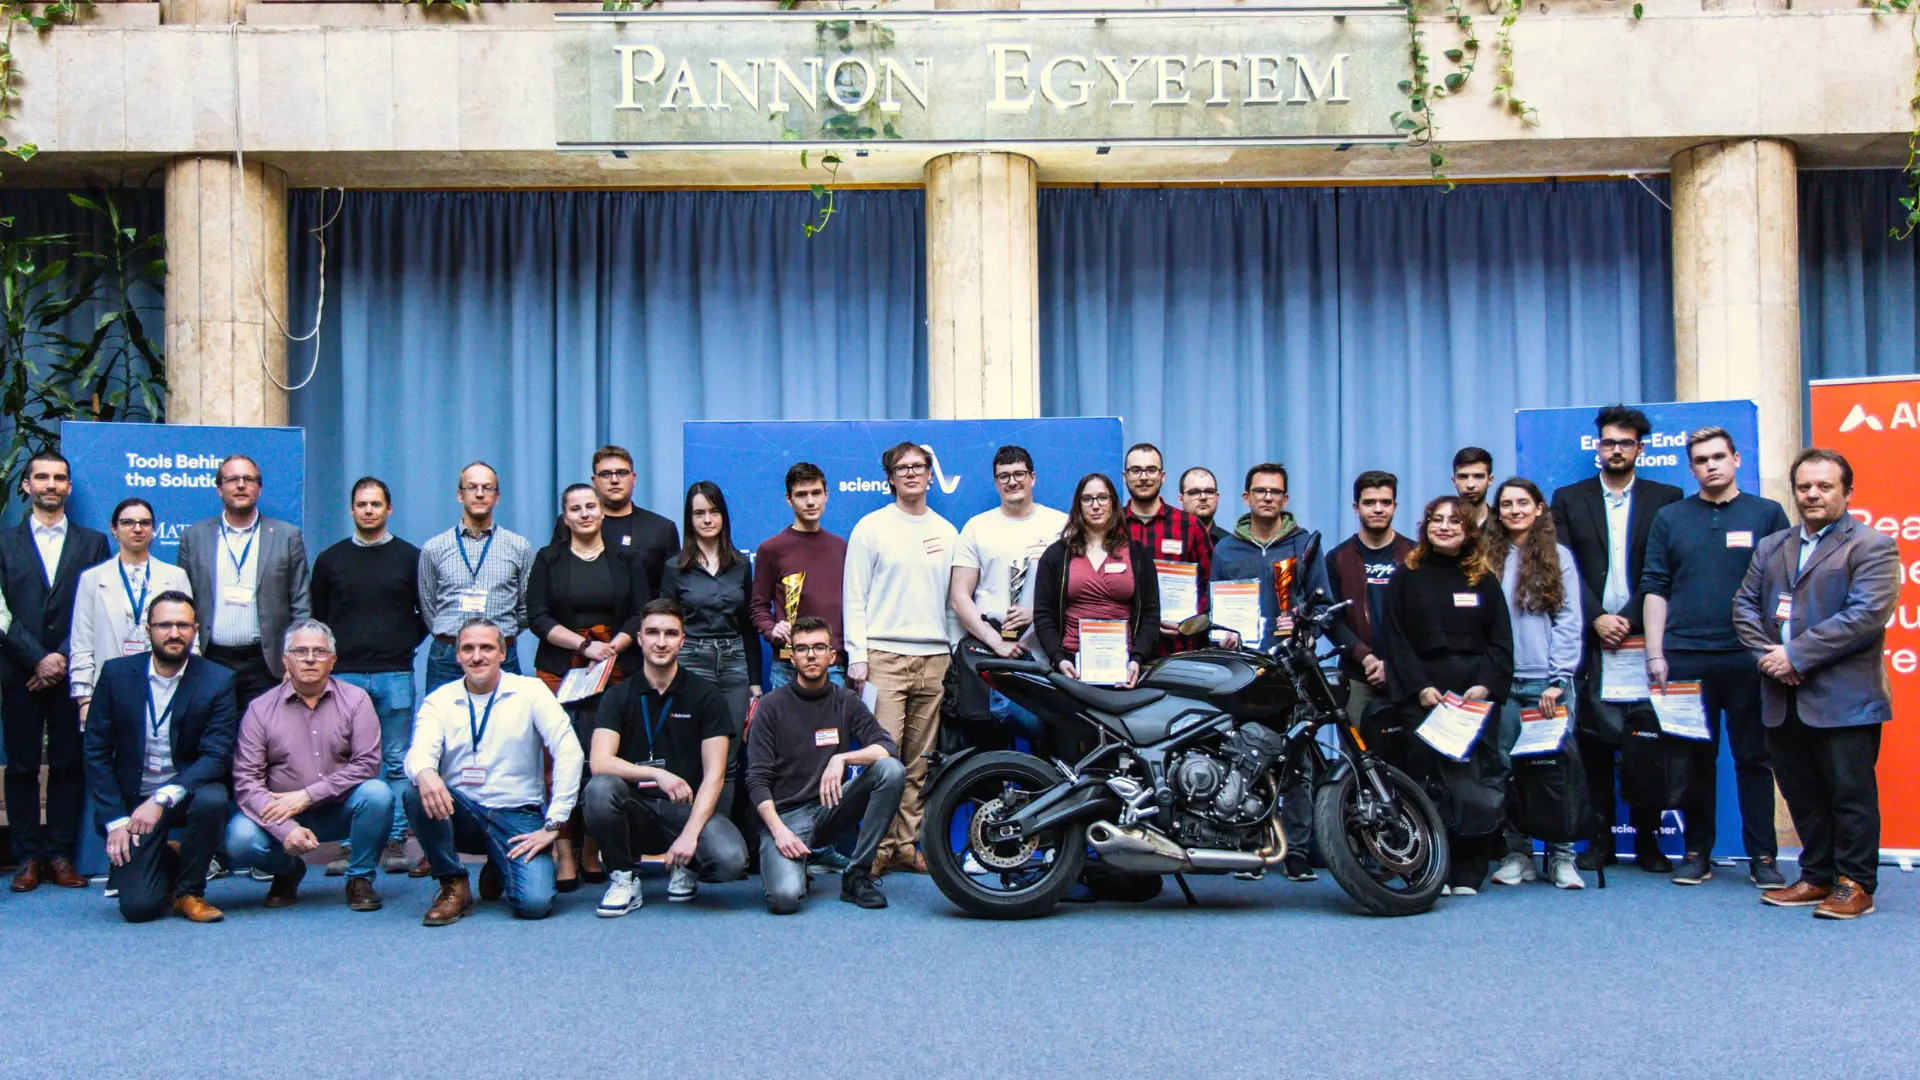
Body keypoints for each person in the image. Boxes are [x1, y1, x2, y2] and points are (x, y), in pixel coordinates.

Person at [1734, 449, 1899, 920]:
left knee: (1850, 796)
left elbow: (1865, 616)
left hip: (1846, 698)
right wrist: (1771, 660)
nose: (1812, 494)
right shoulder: (1773, 546)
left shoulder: (1872, 545)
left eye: (1825, 486)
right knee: (1801, 793)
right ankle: (1817, 875)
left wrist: (1795, 655)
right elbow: (1743, 607)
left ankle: (1855, 884)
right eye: (1804, 486)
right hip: (1781, 696)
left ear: (1847, 492)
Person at [1640, 428, 1792, 888]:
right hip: (1685, 657)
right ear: (1691, 468)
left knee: (1754, 758)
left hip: (1749, 658)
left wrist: (1780, 645)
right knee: (1692, 761)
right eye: (1702, 460)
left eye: (1719, 457)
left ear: (1736, 459)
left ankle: (1762, 857)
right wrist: (1654, 654)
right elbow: (1655, 586)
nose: (1711, 465)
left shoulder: (1767, 513)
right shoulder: (1670, 518)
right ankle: (1695, 853)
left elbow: (1786, 586)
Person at [1549, 404, 1683, 871]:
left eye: (1626, 443)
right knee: (1594, 742)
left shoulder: (1667, 497)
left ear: (1640, 449)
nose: (1617, 450)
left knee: (1647, 742)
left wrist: (1624, 618)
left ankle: (1648, 842)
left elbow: (1664, 568)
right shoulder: (1569, 498)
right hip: (1591, 640)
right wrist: (1597, 619)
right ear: (1598, 447)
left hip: (1645, 638)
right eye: (1609, 442)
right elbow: (1561, 566)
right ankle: (1600, 841)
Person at [403, 617, 582, 925]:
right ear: (457, 655)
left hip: (517, 815)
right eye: (468, 649)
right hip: (460, 812)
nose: (477, 656)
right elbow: (419, 751)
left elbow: (569, 750)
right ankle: (454, 883)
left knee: (534, 904)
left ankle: (500, 864)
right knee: (416, 789)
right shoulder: (440, 700)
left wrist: (555, 822)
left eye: (486, 648)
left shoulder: (531, 692)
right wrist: (426, 772)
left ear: (502, 653)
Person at [1378, 496, 1514, 895]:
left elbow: (1501, 641)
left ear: (1468, 530)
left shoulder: (1483, 579)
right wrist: (1420, 687)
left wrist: (1485, 685)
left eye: (1454, 521)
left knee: (1471, 783)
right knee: (1424, 783)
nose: (1444, 526)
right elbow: (1394, 640)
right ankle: (1429, 868)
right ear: (1425, 527)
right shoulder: (1406, 576)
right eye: (1436, 520)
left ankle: (1468, 871)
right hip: (1423, 695)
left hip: (1473, 698)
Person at [81, 591, 239, 923]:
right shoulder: (116, 674)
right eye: (164, 625)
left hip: (185, 791)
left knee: (212, 798)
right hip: (132, 802)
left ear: (195, 630)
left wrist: (163, 797)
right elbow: (96, 751)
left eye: (183, 625)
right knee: (139, 908)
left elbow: (216, 756)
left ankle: (189, 893)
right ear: (148, 630)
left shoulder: (218, 679)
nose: (174, 633)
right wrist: (115, 820)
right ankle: (168, 855)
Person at [582, 599, 746, 916]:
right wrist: (656, 773)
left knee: (731, 860)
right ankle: (624, 877)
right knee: (599, 789)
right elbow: (600, 762)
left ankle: (686, 865)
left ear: (682, 640)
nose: (661, 642)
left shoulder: (706, 695)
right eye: (652, 632)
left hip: (684, 810)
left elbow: (715, 774)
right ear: (639, 638)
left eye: (670, 633)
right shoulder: (618, 695)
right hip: (635, 809)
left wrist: (690, 836)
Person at [527, 482, 652, 890]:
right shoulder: (548, 559)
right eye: (575, 508)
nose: (584, 514)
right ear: (565, 517)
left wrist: (612, 648)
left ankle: (592, 849)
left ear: (601, 512)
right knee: (559, 759)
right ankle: (564, 850)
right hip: (559, 670)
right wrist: (583, 646)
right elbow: (537, 617)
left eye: (590, 506)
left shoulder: (626, 558)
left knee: (605, 759)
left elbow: (640, 612)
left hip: (614, 669)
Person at [843, 441, 958, 875]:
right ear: (890, 478)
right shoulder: (870, 528)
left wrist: (953, 652)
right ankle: (877, 849)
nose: (911, 473)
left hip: (934, 658)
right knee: (883, 760)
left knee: (919, 763)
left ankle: (907, 847)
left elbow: (952, 604)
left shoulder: (947, 532)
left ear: (930, 475)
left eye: (918, 466)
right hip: (883, 657)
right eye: (902, 467)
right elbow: (854, 596)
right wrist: (857, 655)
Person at [225, 619, 392, 911]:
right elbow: (247, 782)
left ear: (332, 661)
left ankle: (360, 878)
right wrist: (285, 829)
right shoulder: (260, 709)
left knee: (378, 794)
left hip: (340, 808)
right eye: (300, 651)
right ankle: (288, 870)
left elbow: (366, 764)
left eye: (320, 652)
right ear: (285, 660)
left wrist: (307, 795)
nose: (310, 659)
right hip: (281, 813)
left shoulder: (356, 700)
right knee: (239, 839)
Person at [1, 449, 110, 892]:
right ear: (26, 485)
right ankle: (27, 857)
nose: (51, 485)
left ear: (68, 487)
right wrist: (36, 658)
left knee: (68, 763)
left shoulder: (93, 543)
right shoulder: (3, 543)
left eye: (59, 478)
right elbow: (1, 611)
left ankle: (61, 854)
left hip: (74, 671)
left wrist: (61, 658)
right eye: (42, 477)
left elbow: (97, 604)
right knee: (21, 766)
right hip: (19, 672)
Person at [310, 477, 428, 876]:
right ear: (352, 510)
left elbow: (426, 613)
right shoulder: (330, 560)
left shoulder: (411, 558)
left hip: (395, 673)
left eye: (376, 504)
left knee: (395, 761)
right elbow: (318, 618)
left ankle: (395, 839)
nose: (369, 510)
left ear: (389, 509)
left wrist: (401, 642)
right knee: (346, 762)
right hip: (343, 677)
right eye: (362, 504)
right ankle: (351, 843)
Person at [748, 616, 903, 914]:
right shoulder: (770, 706)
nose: (811, 655)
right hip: (785, 818)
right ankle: (797, 866)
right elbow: (756, 780)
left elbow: (887, 748)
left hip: (830, 809)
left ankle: (856, 876)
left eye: (819, 647)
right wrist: (779, 831)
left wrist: (842, 757)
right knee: (785, 899)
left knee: (890, 771)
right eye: (802, 648)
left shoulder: (847, 701)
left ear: (832, 656)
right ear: (792, 657)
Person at [1483, 479, 1586, 890]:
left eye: (1523, 503)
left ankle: (1562, 857)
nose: (1514, 510)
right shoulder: (1485, 557)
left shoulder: (1558, 556)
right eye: (1506, 504)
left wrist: (1559, 678)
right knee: (1506, 771)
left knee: (1555, 773)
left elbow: (1569, 620)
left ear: (1539, 508)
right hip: (1504, 684)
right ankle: (1518, 853)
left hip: (1548, 683)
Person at [950, 446, 1070, 740]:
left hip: (1046, 656)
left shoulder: (1061, 526)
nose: (1012, 481)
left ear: (1033, 477)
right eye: (1004, 476)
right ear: (995, 482)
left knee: (1046, 745)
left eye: (1019, 474)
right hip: (991, 657)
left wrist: (1039, 614)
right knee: (989, 748)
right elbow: (959, 597)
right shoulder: (977, 527)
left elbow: (1076, 591)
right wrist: (995, 641)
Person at [177, 454, 312, 712]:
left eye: (248, 479)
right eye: (232, 479)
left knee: (265, 735)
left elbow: (300, 604)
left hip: (266, 663)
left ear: (259, 488)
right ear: (219, 488)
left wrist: (296, 659)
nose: (241, 485)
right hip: (210, 660)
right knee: (215, 733)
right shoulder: (194, 537)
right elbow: (183, 603)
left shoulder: (287, 536)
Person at [1032, 473, 1161, 689]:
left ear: (1113, 503)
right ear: (1078, 505)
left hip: (1124, 666)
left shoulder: (1138, 554)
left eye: (1102, 497)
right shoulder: (1057, 554)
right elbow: (1043, 614)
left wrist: (1137, 658)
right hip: (1071, 665)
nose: (1095, 505)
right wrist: (1058, 658)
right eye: (1087, 499)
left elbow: (1151, 613)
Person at [71, 500, 191, 729]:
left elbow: (190, 640)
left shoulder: (175, 576)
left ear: (153, 529)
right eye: (128, 523)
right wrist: (84, 700)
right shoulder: (92, 579)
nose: (137, 529)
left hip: (165, 690)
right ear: (114, 529)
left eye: (145, 523)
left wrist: (189, 691)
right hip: (108, 691)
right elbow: (81, 643)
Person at [417, 462, 535, 693]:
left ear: (497, 497)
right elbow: (429, 607)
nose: (480, 494)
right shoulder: (434, 548)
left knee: (506, 716)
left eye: (487, 488)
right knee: (443, 716)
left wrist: (498, 635)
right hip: (447, 657)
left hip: (501, 655)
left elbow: (526, 609)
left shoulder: (519, 547)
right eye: (472, 487)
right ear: (460, 495)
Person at [751, 462, 849, 689]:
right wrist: (771, 629)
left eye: (816, 493)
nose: (810, 501)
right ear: (789, 499)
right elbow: (758, 606)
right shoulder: (771, 549)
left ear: (826, 495)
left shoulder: (841, 548)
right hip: (788, 665)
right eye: (802, 494)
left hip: (833, 665)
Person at [1326, 471, 1414, 724]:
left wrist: (1393, 664)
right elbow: (1331, 619)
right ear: (1356, 508)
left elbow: (1426, 618)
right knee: (1355, 747)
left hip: (1408, 674)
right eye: (1369, 502)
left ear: (1395, 506)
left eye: (1385, 502)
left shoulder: (1415, 555)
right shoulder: (1337, 558)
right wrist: (1366, 658)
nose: (1378, 509)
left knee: (1410, 747)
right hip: (1357, 674)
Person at [1121, 443, 1212, 656]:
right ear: (1125, 477)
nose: (1144, 477)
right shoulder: (1111, 527)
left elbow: (1209, 584)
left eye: (1151, 470)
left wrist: (1189, 621)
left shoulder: (1190, 526)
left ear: (1162, 476)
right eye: (1136, 470)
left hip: (1177, 650)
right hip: (1123, 650)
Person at [564, 445, 680, 596]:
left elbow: (672, 592)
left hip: (645, 610)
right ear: (594, 481)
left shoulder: (662, 528)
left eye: (622, 473)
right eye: (605, 474)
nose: (614, 480)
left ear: (633, 478)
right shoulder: (573, 524)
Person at [1179, 467, 1229, 547]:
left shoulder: (1230, 545)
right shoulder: (1168, 537)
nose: (1203, 497)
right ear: (1181, 499)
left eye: (1209, 491)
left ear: (1217, 498)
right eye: (1194, 492)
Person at [1451, 448, 1495, 531]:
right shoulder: (1443, 527)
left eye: (1478, 476)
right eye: (1463, 477)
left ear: (1490, 480)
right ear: (1454, 481)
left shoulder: (1503, 525)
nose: (1470, 485)